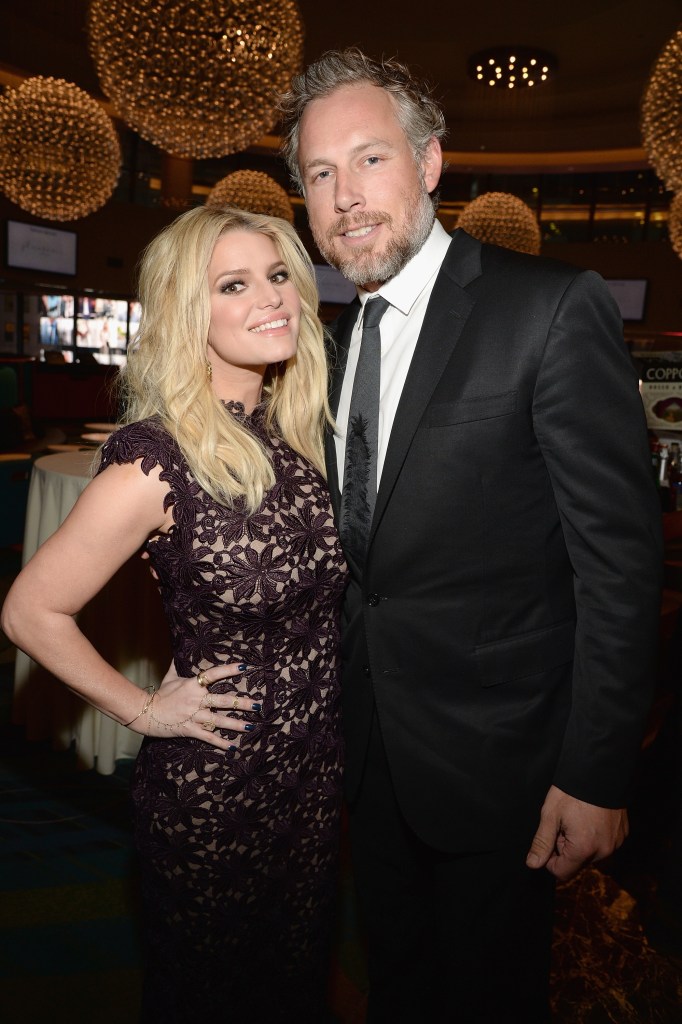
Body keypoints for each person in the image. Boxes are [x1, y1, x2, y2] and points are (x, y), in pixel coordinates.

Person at [279, 48, 663, 1023]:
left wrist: (595, 770)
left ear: (430, 163)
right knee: (398, 983)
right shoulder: (326, 342)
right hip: (368, 756)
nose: (345, 197)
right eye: (319, 174)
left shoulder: (547, 307)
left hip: (502, 765)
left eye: (369, 160)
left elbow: (617, 566)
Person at [1, 206, 348, 1023]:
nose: (272, 298)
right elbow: (30, 610)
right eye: (234, 284)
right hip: (217, 785)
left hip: (315, 775)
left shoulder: (300, 434)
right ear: (191, 316)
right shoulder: (157, 460)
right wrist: (146, 709)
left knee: (294, 983)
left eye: (276, 276)